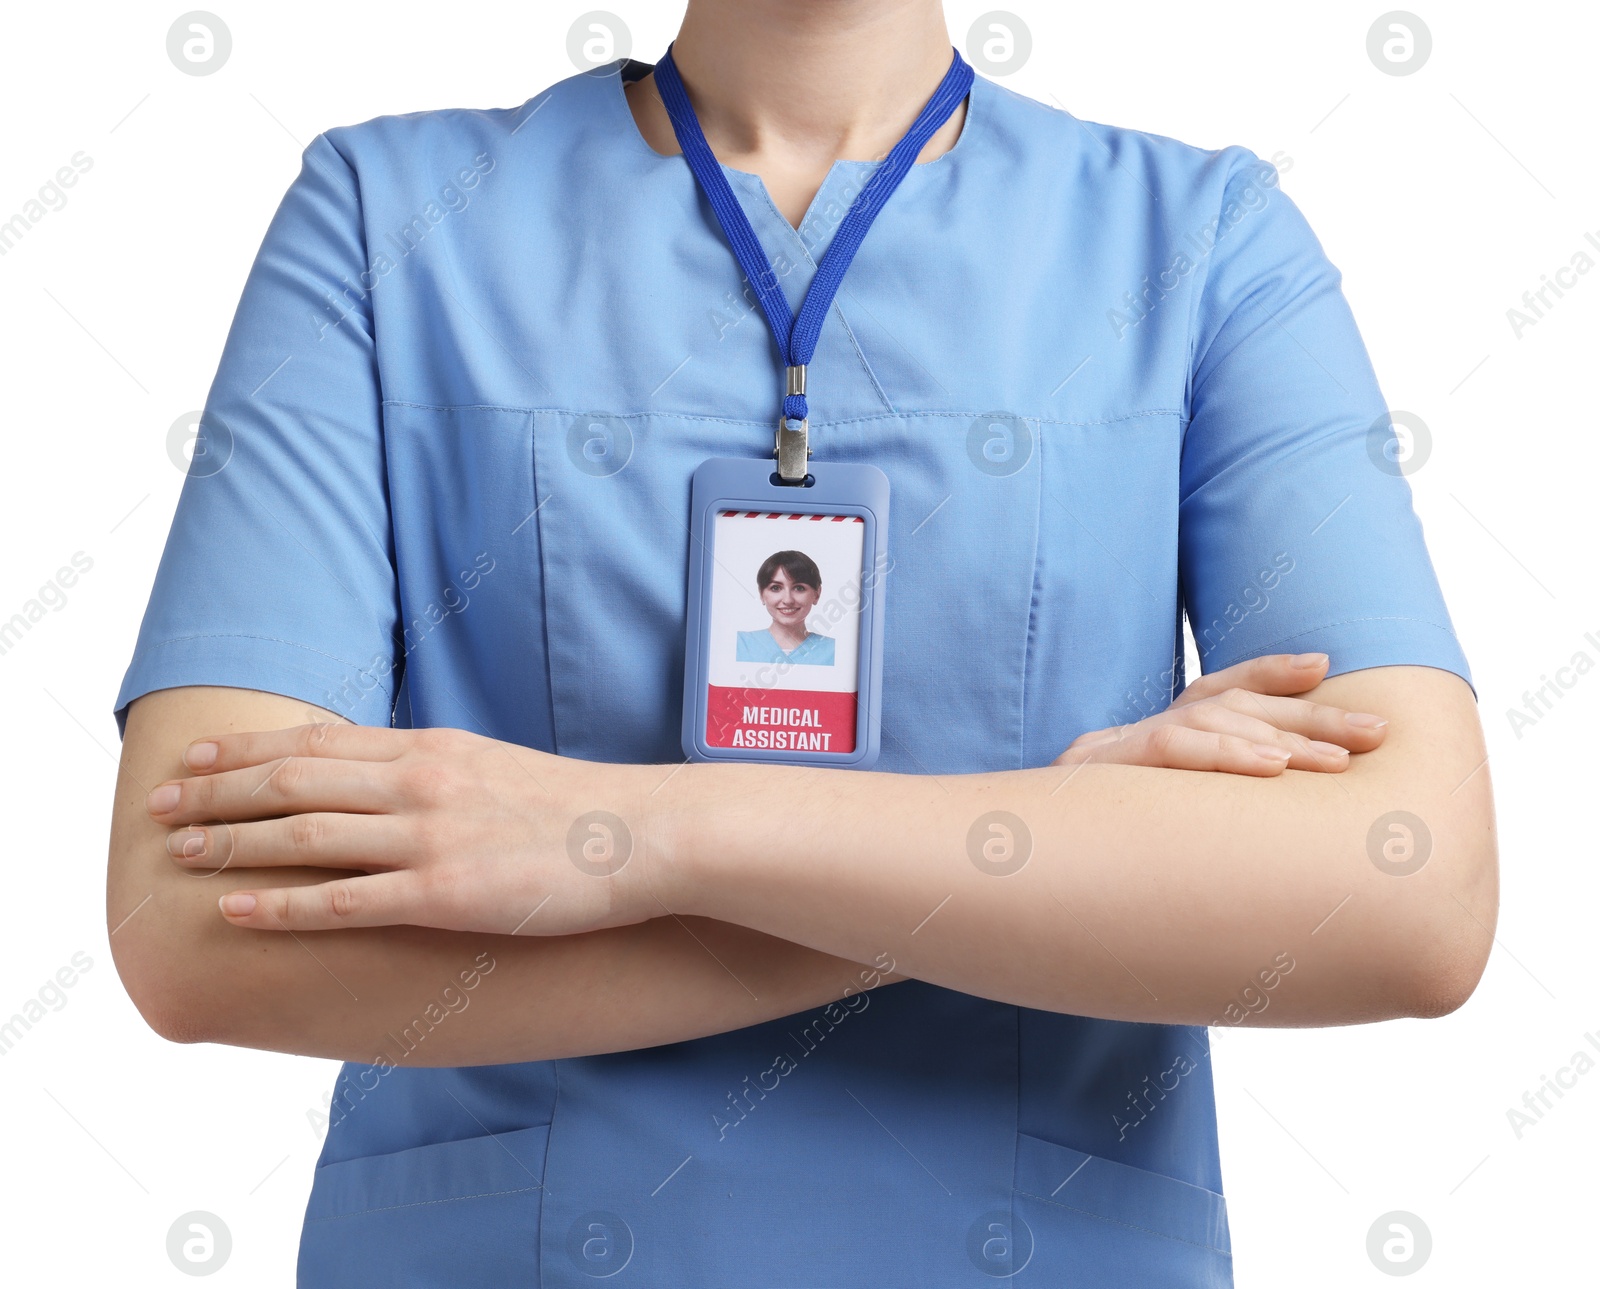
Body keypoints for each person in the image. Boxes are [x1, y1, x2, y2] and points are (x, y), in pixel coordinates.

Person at [106, 1, 1496, 1284]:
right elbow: (197, 925)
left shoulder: (1204, 244)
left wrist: (629, 833)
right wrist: (1054, 835)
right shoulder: (383, 221)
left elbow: (1408, 893)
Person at [735, 550, 836, 665]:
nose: (788, 600)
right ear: (761, 594)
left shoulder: (834, 651)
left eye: (799, 588)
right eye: (776, 588)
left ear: (817, 594)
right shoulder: (740, 644)